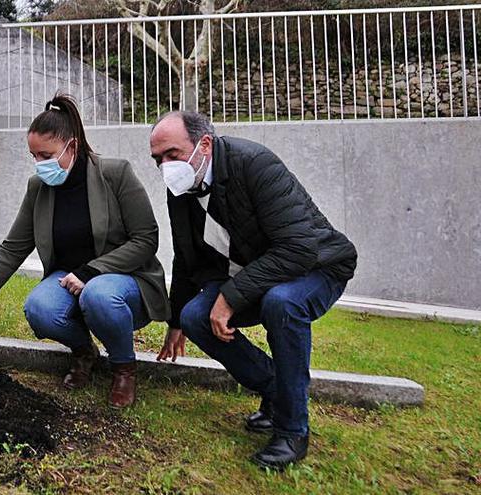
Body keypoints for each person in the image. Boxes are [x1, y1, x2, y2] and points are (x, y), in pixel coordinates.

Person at [150, 111, 357, 469]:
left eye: (172, 154)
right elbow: (187, 257)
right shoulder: (181, 189)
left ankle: (292, 430)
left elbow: (297, 248)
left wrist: (230, 298)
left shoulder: (254, 163)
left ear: (205, 144)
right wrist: (176, 319)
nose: (166, 166)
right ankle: (277, 390)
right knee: (196, 316)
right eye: (158, 160)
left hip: (317, 265)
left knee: (282, 303)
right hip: (253, 271)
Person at [0, 93, 169, 408]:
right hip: (68, 278)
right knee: (40, 308)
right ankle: (84, 352)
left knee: (98, 294)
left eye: (46, 155)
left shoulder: (115, 174)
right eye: (34, 156)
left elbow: (145, 238)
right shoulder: (39, 189)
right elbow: (12, 249)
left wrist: (91, 272)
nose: (40, 164)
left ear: (72, 146)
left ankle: (123, 368)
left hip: (122, 277)